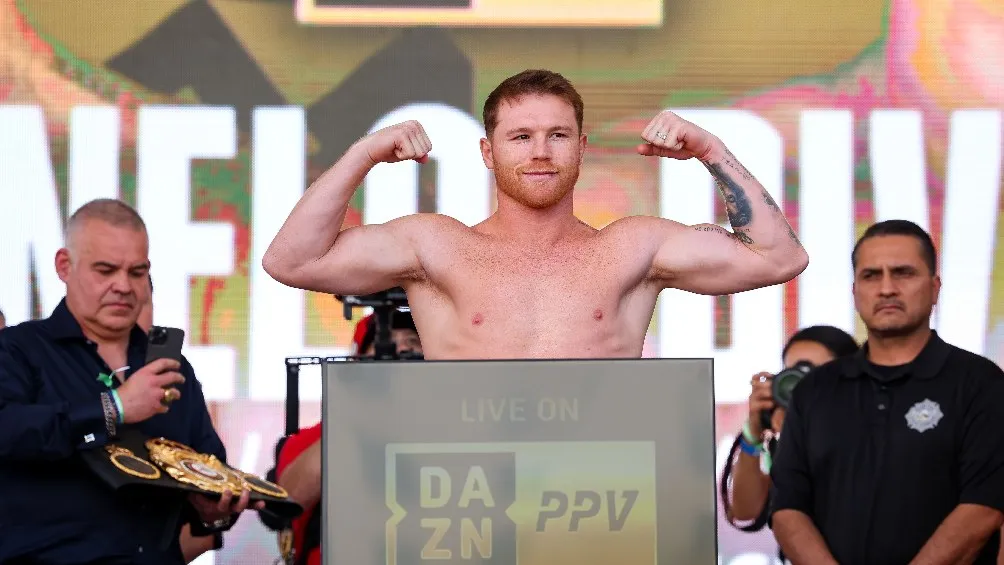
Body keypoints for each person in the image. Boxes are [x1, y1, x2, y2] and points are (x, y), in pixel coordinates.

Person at [262, 69, 809, 360]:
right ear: (487, 152)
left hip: (604, 494)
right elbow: (291, 261)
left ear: (582, 147)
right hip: (466, 493)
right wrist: (363, 153)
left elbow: (779, 258)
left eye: (557, 136)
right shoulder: (435, 247)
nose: (540, 152)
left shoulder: (631, 247)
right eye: (520, 137)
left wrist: (710, 151)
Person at [0, 198, 261, 564]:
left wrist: (213, 510)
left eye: (136, 272)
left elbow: (208, 467)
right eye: (105, 270)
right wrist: (114, 408)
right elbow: (9, 432)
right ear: (64, 266)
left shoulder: (173, 368)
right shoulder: (18, 350)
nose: (123, 286)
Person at [769, 219, 1004, 564]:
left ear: (935, 287)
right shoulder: (815, 391)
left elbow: (983, 508)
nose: (887, 288)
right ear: (855, 292)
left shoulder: (981, 383)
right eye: (871, 275)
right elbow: (787, 507)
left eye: (903, 273)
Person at [260, 311, 425, 565]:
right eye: (385, 344)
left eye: (412, 342)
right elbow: (284, 504)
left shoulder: (456, 429)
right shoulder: (313, 438)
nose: (401, 349)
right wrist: (356, 414)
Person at [721, 325, 858, 561]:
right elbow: (746, 510)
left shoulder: (872, 431)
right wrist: (754, 433)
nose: (803, 385)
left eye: (816, 373)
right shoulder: (789, 431)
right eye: (794, 372)